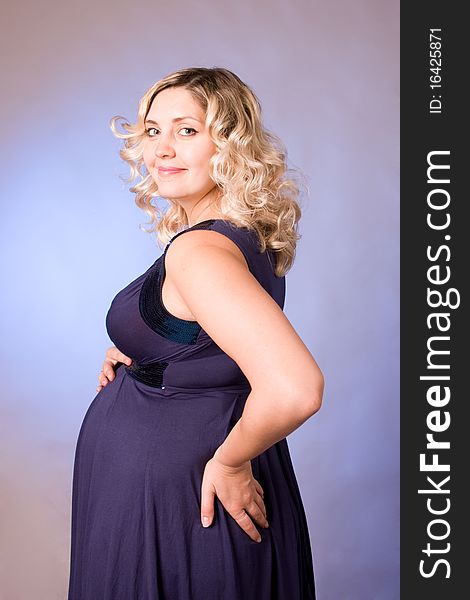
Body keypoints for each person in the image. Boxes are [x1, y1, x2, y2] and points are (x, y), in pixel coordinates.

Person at [67, 66, 324, 600]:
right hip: (170, 481)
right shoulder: (239, 236)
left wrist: (230, 461)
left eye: (187, 130)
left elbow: (295, 388)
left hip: (179, 497)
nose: (163, 148)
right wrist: (151, 352)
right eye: (153, 131)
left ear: (229, 145)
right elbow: (217, 344)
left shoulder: (199, 251)